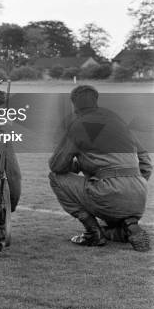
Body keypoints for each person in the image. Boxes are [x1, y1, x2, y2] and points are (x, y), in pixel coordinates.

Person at [49, 85, 151, 251]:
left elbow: (57, 166)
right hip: (139, 196)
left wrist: (75, 165)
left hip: (108, 192)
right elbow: (146, 163)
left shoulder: (78, 125)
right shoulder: (119, 123)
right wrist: (131, 185)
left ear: (74, 105)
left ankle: (93, 233)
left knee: (55, 177)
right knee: (114, 192)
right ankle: (128, 224)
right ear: (96, 100)